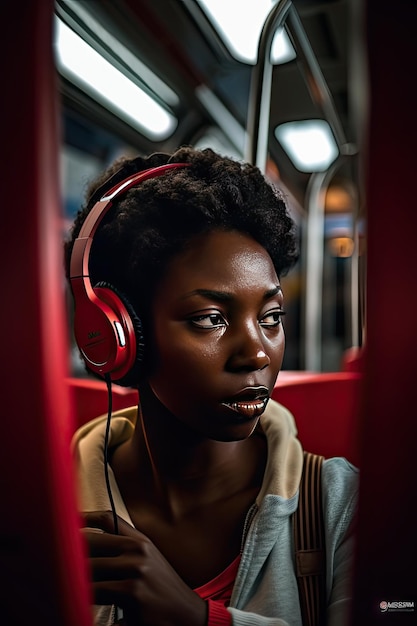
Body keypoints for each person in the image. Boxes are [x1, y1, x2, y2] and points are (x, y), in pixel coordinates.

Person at [64, 146, 358, 626]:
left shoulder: (341, 506)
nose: (258, 354)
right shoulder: (46, 509)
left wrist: (195, 617)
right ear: (119, 335)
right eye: (211, 319)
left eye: (271, 318)